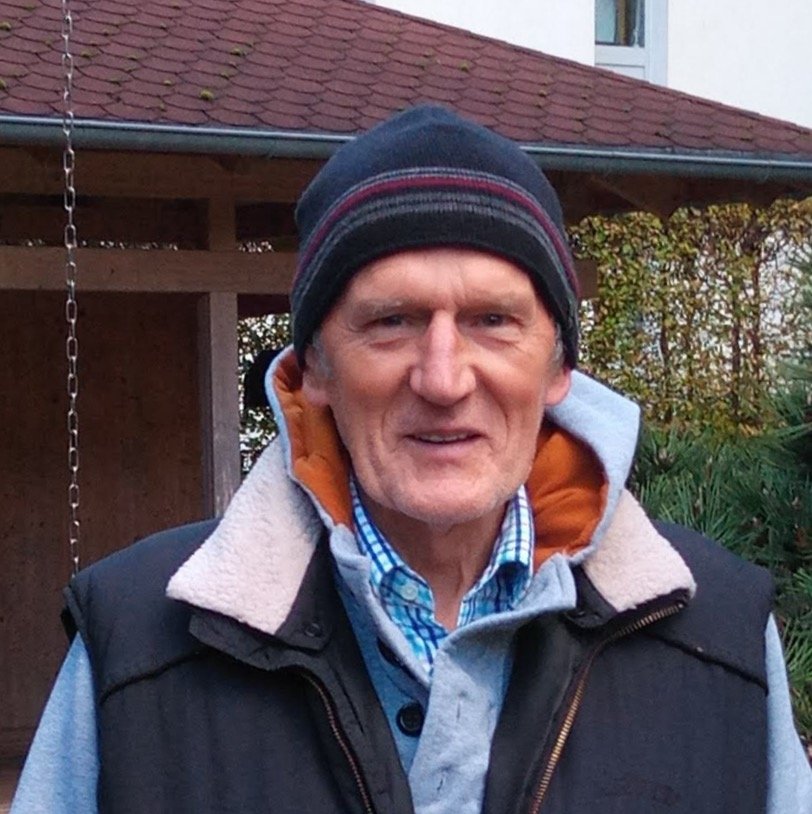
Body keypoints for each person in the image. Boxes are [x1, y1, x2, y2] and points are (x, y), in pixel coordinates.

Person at [12, 105, 811, 813]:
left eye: (493, 320)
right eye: (391, 321)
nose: (443, 378)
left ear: (558, 368)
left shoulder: (717, 641)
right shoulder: (141, 648)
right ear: (313, 369)